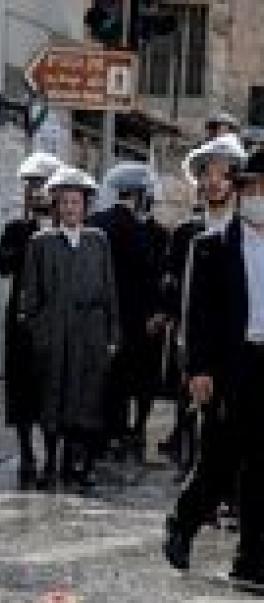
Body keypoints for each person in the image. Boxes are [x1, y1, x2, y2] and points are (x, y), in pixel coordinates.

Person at [163, 149, 264, 587]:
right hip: (229, 365)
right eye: (250, 189)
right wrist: (198, 369)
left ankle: (253, 557)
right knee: (219, 458)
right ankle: (182, 523)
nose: (257, 198)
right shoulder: (211, 247)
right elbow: (196, 314)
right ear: (239, 194)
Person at [18, 167, 119, 490]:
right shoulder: (41, 243)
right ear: (56, 206)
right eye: (64, 202)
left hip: (90, 332)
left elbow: (109, 290)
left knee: (87, 398)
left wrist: (112, 334)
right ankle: (50, 461)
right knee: (52, 397)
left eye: (76, 202)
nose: (70, 208)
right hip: (55, 331)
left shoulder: (97, 240)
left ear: (85, 206)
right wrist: (39, 331)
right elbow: (30, 295)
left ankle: (78, 464)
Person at [159, 134, 248, 470]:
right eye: (207, 174)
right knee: (190, 412)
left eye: (223, 175)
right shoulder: (186, 233)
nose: (214, 182)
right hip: (193, 336)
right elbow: (171, 283)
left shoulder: (246, 231)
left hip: (236, 339)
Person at [88, 162, 168, 462]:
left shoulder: (96, 222)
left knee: (107, 378)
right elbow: (152, 275)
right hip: (137, 317)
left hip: (101, 314)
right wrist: (157, 311)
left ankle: (105, 434)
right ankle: (127, 432)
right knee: (134, 377)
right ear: (137, 195)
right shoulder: (143, 230)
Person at [1, 151, 62, 487]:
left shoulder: (67, 232)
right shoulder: (16, 230)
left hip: (54, 321)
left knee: (52, 388)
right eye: (30, 186)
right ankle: (27, 455)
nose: (34, 192)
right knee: (21, 390)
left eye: (40, 186)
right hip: (21, 322)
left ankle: (52, 457)